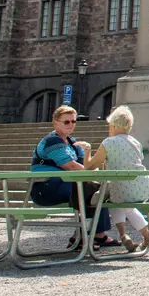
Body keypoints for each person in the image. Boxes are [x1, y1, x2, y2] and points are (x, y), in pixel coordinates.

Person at [29, 105, 119, 250]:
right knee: (90, 189)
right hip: (46, 188)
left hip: (65, 184)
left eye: (73, 121)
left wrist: (96, 174)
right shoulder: (52, 141)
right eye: (66, 122)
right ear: (56, 122)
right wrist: (96, 175)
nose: (71, 124)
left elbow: (87, 164)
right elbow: (70, 166)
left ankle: (97, 234)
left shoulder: (73, 142)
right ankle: (81, 236)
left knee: (97, 189)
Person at [84, 105, 149, 251]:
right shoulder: (135, 142)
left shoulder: (109, 142)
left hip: (123, 187)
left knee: (119, 202)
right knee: (116, 201)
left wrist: (87, 150)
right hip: (142, 185)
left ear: (114, 125)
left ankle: (147, 238)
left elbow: (89, 166)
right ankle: (124, 236)